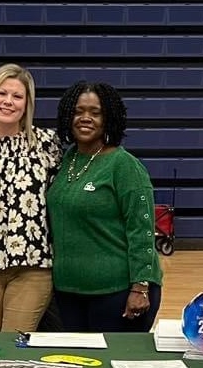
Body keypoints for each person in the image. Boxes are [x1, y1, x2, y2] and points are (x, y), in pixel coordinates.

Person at [46, 81, 163, 332]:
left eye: (95, 112)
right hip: (68, 293)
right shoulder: (68, 159)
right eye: (78, 111)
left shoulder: (124, 166)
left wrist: (141, 287)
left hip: (117, 294)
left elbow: (141, 230)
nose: (85, 118)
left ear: (108, 118)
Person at [0, 64, 61, 332]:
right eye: (1, 93)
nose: (8, 101)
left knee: (14, 341)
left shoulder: (47, 144)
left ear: (27, 103)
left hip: (32, 267)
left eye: (17, 96)